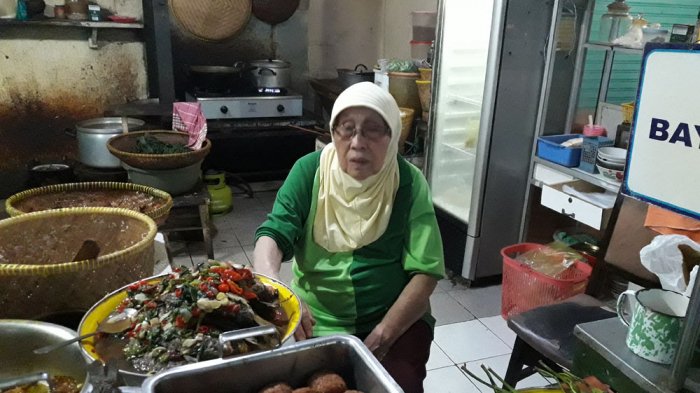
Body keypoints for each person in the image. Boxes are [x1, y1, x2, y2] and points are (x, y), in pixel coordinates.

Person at [252, 82, 445, 393]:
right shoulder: (309, 171)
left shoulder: (408, 183)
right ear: (333, 132)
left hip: (393, 317)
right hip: (316, 320)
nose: (357, 142)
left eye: (372, 130)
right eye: (346, 128)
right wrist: (280, 293)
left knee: (397, 385)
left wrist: (384, 333)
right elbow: (272, 235)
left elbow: (426, 272)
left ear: (393, 135)